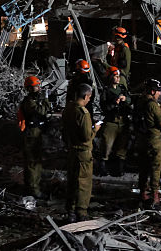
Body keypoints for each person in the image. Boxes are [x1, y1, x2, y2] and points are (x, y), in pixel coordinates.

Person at [62, 83, 99, 222]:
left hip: (71, 150)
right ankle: (81, 212)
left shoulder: (68, 109)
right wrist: (95, 129)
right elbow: (86, 136)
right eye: (89, 97)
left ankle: (70, 211)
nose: (89, 100)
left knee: (71, 181)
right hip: (83, 153)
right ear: (86, 96)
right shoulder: (83, 113)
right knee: (83, 183)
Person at [133, 78, 161, 209]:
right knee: (155, 167)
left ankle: (143, 193)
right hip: (154, 140)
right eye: (158, 91)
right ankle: (155, 196)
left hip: (141, 139)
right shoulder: (153, 104)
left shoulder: (140, 101)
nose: (159, 94)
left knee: (143, 167)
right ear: (153, 91)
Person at [18, 75, 51, 198]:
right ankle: (34, 190)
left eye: (38, 86)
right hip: (32, 133)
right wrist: (46, 99)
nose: (39, 88)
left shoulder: (33, 100)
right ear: (30, 88)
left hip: (36, 131)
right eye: (36, 87)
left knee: (35, 161)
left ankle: (31, 187)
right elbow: (42, 111)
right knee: (33, 162)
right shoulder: (29, 102)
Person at [98, 66, 131, 176]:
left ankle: (119, 168)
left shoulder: (122, 88)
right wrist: (114, 103)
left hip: (122, 121)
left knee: (122, 146)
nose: (118, 78)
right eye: (115, 76)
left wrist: (125, 99)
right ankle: (102, 167)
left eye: (118, 76)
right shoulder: (106, 90)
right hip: (111, 121)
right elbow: (104, 106)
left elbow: (129, 99)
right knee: (106, 145)